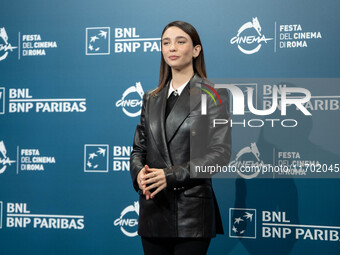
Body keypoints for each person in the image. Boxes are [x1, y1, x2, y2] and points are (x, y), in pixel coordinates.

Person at [130, 21, 231, 255]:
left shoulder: (213, 95)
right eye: (166, 43)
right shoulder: (150, 98)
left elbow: (220, 154)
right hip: (153, 210)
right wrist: (140, 176)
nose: (172, 48)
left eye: (180, 41)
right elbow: (138, 150)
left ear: (196, 50)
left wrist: (170, 176)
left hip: (191, 214)